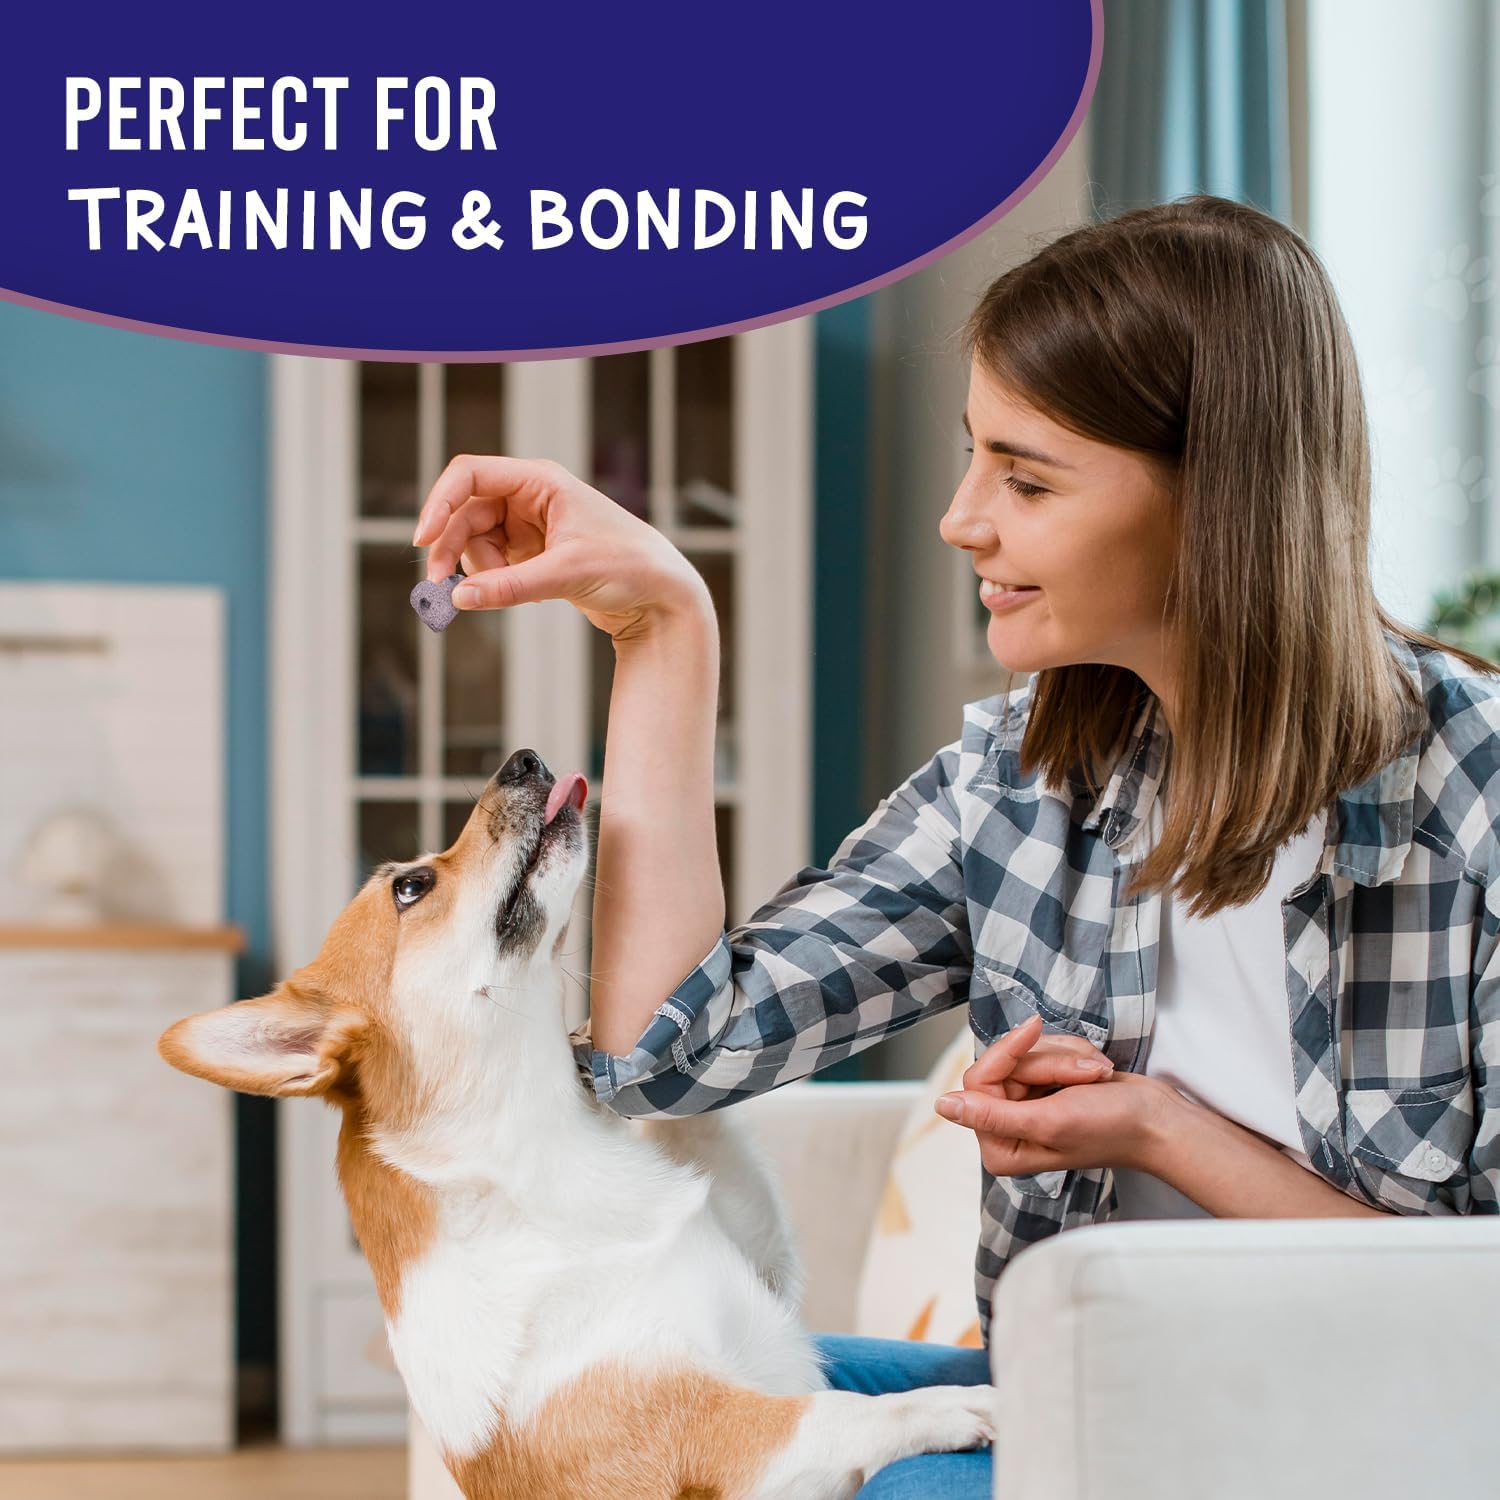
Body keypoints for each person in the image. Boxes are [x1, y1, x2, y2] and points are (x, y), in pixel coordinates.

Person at [411, 194, 1500, 1500]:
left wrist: (1160, 1130)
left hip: (1359, 1442)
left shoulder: (1471, 800)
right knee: (614, 1425)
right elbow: (671, 1052)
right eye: (974, 456)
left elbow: (1469, 1320)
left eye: (1026, 478)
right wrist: (661, 630)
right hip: (1088, 1403)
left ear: (1219, 497)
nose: (961, 518)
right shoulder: (1022, 780)